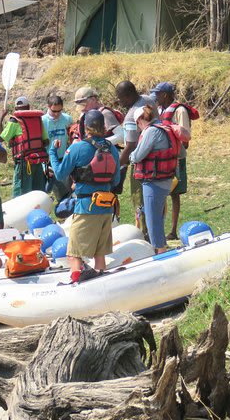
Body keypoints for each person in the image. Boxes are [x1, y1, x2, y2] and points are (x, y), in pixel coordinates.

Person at [54, 110, 120, 283]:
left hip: (86, 207)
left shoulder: (77, 147)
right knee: (100, 255)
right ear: (104, 127)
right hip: (106, 208)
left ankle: (77, 284)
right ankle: (102, 282)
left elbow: (60, 174)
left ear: (85, 128)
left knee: (73, 254)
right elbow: (116, 180)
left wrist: (53, 154)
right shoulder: (111, 148)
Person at [129, 104, 190, 253]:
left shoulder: (151, 131)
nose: (138, 128)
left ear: (140, 120)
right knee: (158, 217)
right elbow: (181, 154)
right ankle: (161, 248)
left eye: (137, 124)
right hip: (167, 180)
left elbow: (137, 156)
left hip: (153, 182)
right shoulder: (166, 128)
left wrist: (130, 156)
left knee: (152, 221)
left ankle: (160, 252)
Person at [151, 82, 199, 240]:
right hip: (161, 157)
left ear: (164, 95)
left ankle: (172, 230)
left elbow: (185, 138)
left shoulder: (179, 111)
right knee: (161, 192)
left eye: (157, 94)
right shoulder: (160, 110)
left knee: (174, 193)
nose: (155, 97)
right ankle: (160, 229)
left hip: (176, 157)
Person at [115, 80, 157, 231]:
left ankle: (145, 233)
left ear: (127, 96)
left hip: (141, 163)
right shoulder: (148, 100)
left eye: (120, 98)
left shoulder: (132, 115)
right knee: (155, 201)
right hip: (158, 159)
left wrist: (117, 165)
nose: (120, 102)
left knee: (140, 199)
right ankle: (156, 231)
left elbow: (131, 145)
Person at [0, 96, 49, 197]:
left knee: (21, 194)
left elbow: (0, 138)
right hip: (38, 161)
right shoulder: (38, 119)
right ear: (28, 107)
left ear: (16, 109)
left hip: (24, 163)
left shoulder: (14, 121)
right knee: (38, 193)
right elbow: (46, 141)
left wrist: (1, 118)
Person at [43, 95, 73, 201]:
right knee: (45, 192)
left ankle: (66, 213)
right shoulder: (42, 121)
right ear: (48, 107)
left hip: (63, 159)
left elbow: (71, 139)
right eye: (54, 111)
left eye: (59, 111)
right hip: (48, 162)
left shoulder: (67, 119)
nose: (57, 114)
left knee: (66, 192)